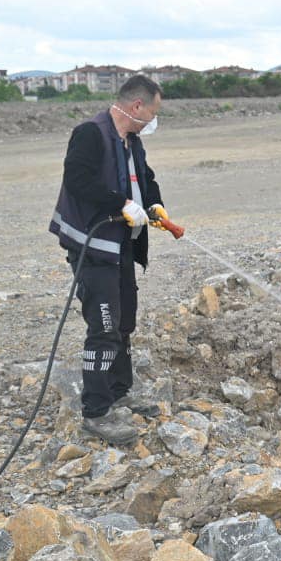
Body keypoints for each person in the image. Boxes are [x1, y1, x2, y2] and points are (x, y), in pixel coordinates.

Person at [48, 74, 169, 445]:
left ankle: (120, 390)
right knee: (103, 327)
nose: (153, 120)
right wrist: (120, 204)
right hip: (93, 247)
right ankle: (96, 412)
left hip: (122, 248)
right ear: (136, 107)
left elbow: (143, 178)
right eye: (153, 112)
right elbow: (78, 180)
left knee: (123, 322)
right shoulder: (90, 134)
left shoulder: (131, 141)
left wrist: (153, 203)